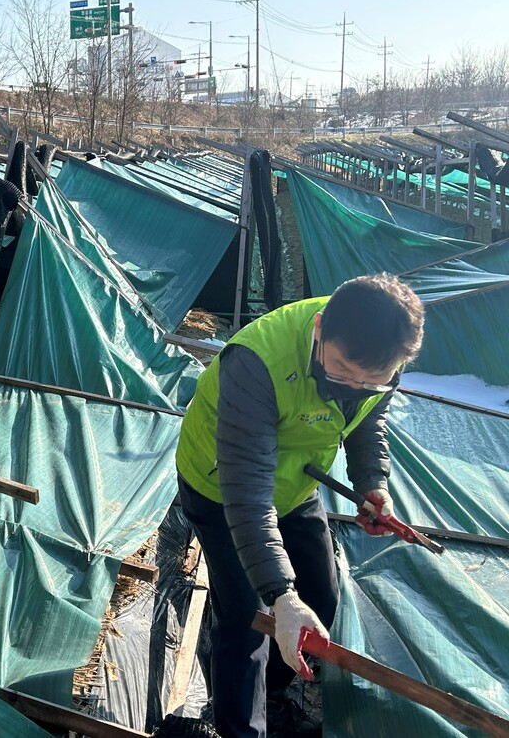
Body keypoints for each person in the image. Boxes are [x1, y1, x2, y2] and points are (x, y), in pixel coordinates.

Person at [174, 273, 424, 737]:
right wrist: (280, 596)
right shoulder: (257, 361)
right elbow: (247, 495)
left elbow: (370, 417)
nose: (354, 388)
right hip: (223, 484)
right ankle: (239, 727)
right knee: (248, 617)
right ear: (319, 327)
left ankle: (269, 691)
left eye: (371, 381)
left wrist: (372, 482)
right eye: (341, 373)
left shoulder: (385, 352)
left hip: (295, 481)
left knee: (321, 597)